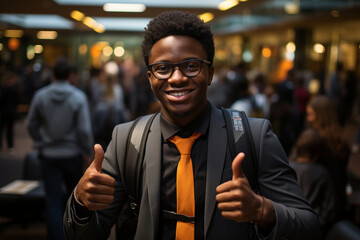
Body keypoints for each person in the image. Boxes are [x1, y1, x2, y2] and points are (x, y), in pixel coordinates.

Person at [64, 10, 320, 240]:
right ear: (150, 78)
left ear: (210, 73)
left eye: (191, 66)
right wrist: (81, 203)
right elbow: (84, 234)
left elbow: (309, 226)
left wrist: (262, 210)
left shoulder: (254, 136)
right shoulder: (127, 139)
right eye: (163, 68)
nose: (177, 78)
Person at [27, 57, 93, 240]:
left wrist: (40, 140)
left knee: (52, 200)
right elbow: (84, 130)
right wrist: (87, 151)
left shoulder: (41, 95)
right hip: (72, 153)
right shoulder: (78, 96)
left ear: (53, 75)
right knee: (74, 198)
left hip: (48, 154)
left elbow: (31, 125)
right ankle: (72, 234)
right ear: (69, 75)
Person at [306, 95, 351, 221]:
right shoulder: (341, 139)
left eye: (311, 114)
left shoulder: (315, 140)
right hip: (339, 198)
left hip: (320, 203)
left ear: (321, 116)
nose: (309, 119)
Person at [290, 128, 337, 237]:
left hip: (289, 225)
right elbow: (330, 208)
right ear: (318, 152)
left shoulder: (287, 168)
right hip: (313, 229)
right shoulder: (322, 173)